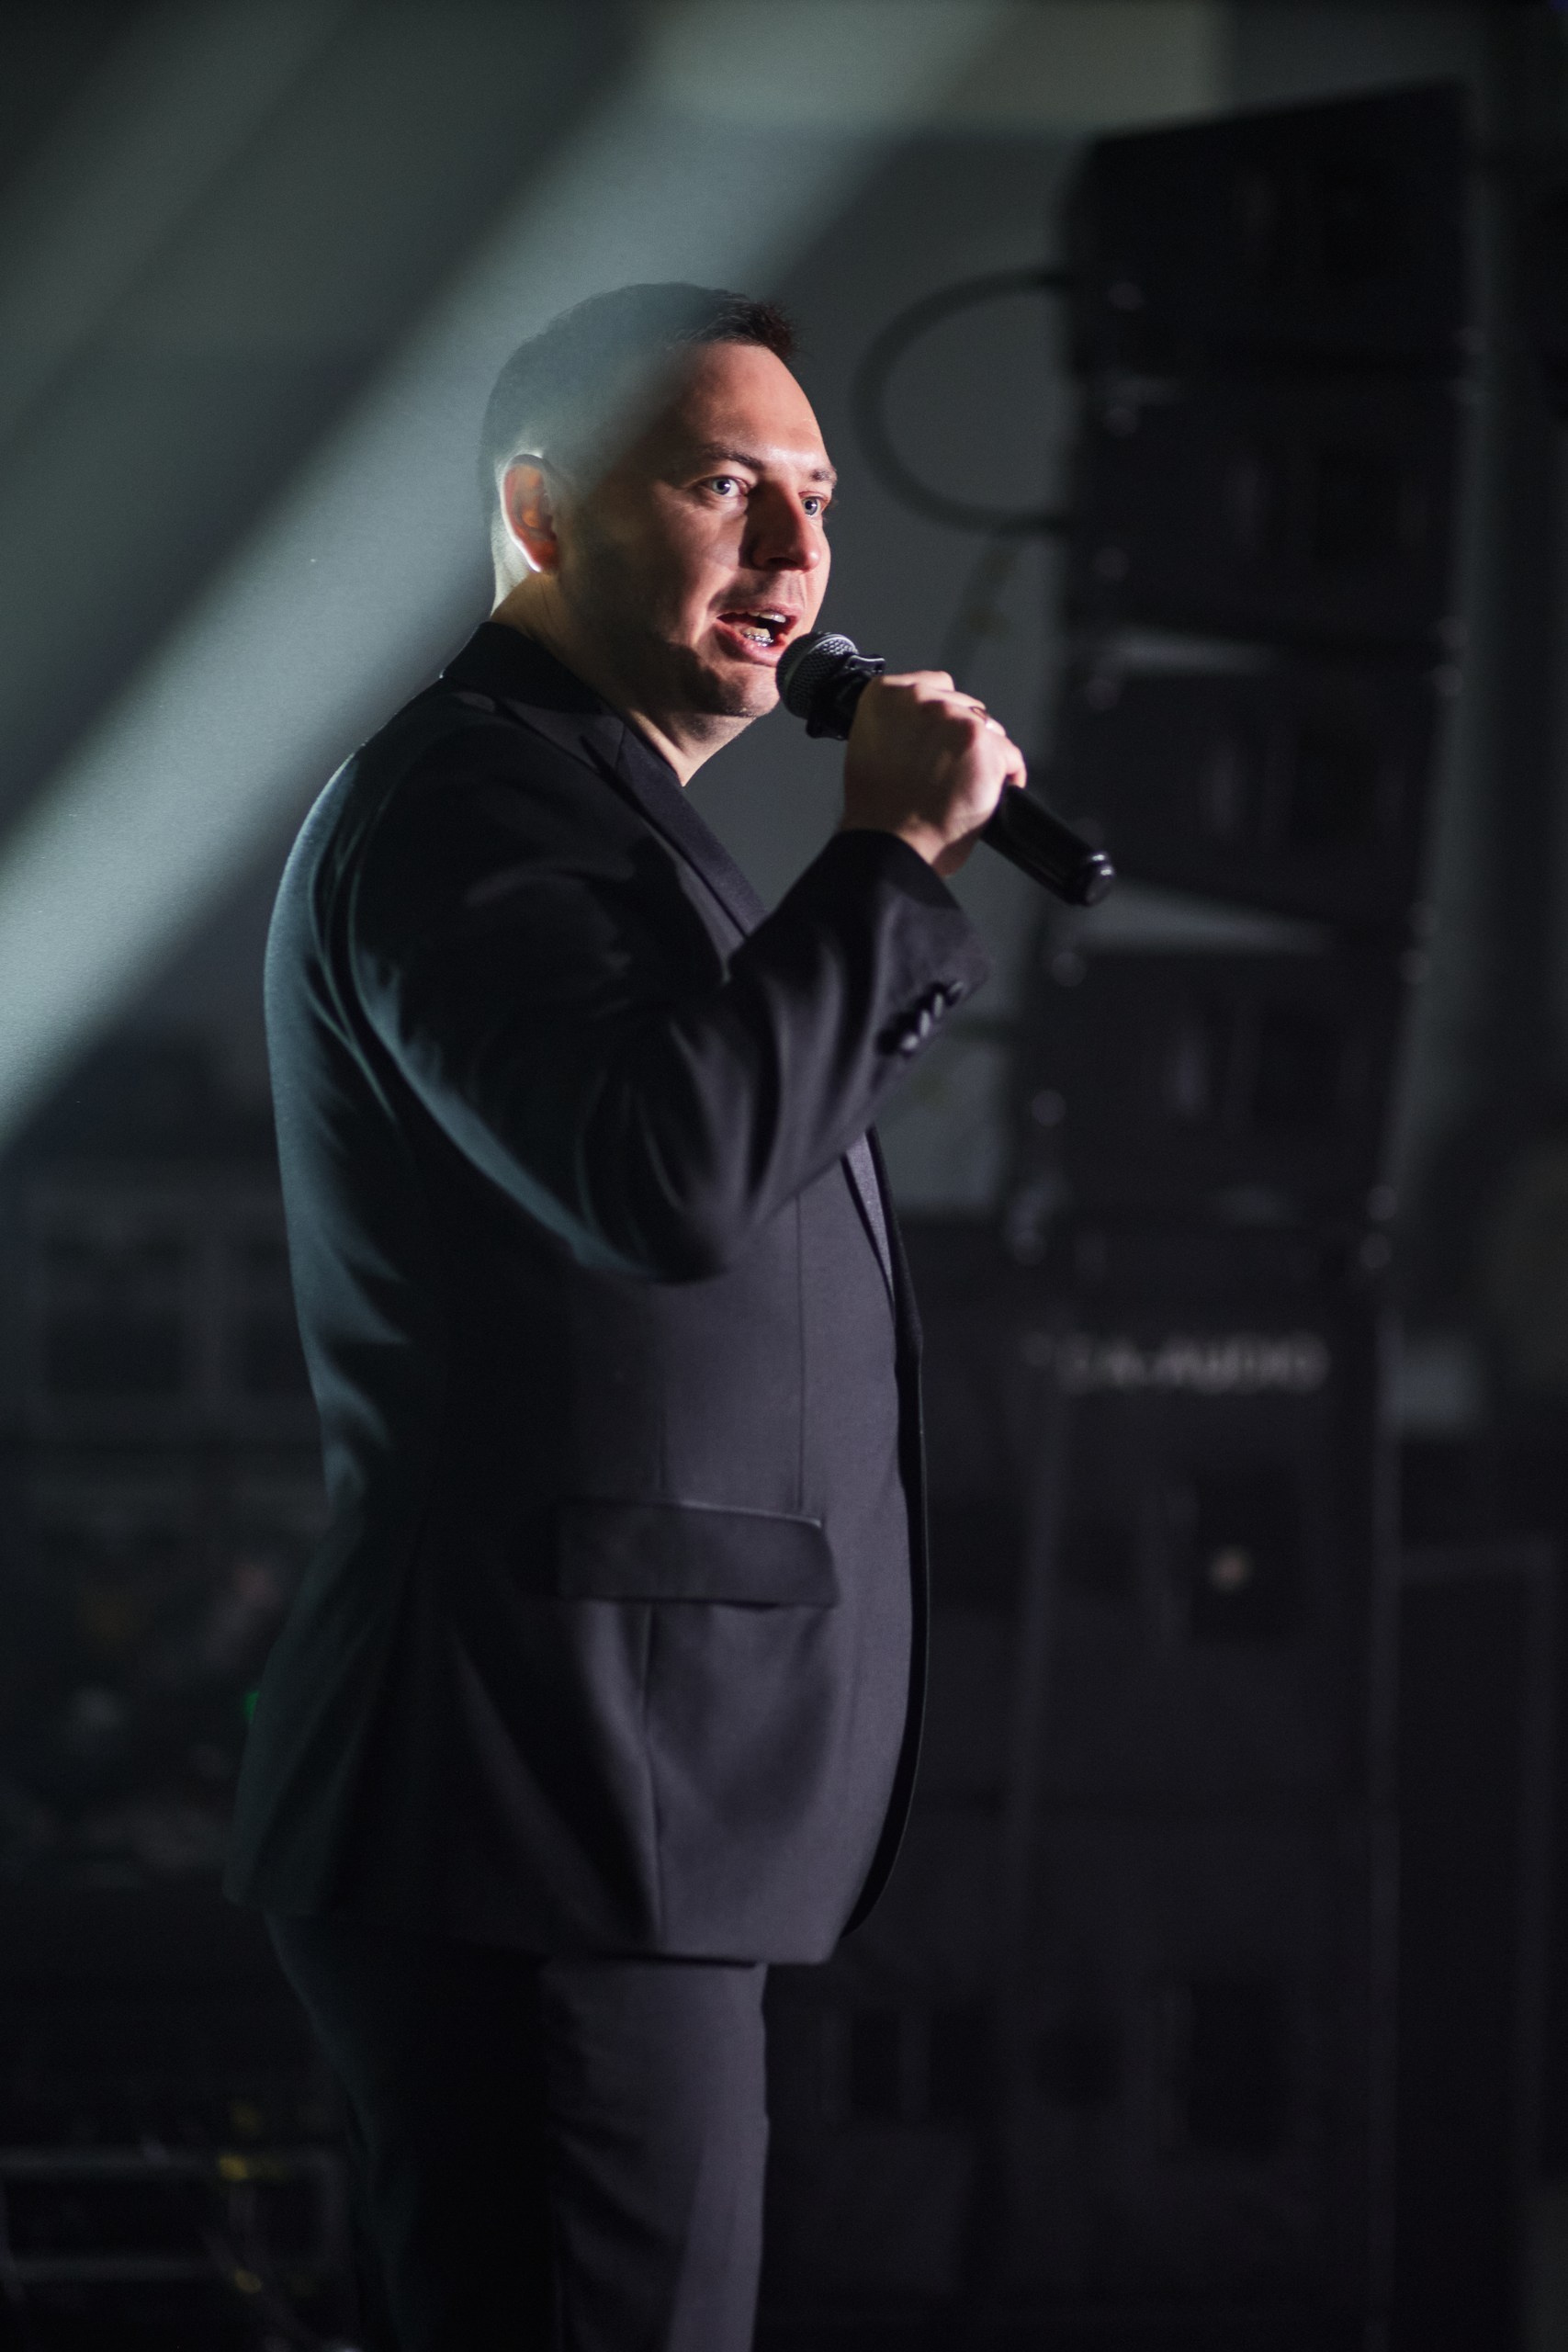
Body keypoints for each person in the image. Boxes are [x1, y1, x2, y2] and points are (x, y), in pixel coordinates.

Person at [225, 281, 1024, 2351]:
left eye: (818, 497)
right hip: (548, 1804)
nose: (793, 549)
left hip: (614, 1810)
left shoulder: (585, 807)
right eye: (721, 485)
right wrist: (887, 863)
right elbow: (657, 1168)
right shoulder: (465, 803)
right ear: (542, 516)